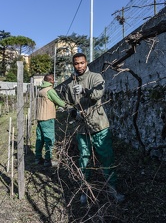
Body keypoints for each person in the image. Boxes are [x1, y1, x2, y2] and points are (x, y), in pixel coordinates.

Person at [64, 53, 125, 203]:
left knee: (107, 158)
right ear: (73, 65)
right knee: (84, 161)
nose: (79, 66)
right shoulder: (70, 85)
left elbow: (98, 93)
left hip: (99, 125)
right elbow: (66, 103)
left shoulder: (96, 77)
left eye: (82, 63)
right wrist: (73, 112)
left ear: (86, 63)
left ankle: (113, 189)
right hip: (82, 128)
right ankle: (85, 190)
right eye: (76, 64)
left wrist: (85, 91)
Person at [35, 73, 69, 167]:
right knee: (49, 140)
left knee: (40, 139)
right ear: (51, 81)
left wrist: (56, 107)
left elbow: (47, 103)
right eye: (53, 79)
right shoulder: (50, 90)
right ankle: (48, 160)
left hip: (40, 118)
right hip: (48, 118)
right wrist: (68, 106)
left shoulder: (40, 90)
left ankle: (38, 158)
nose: (54, 81)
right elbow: (58, 101)